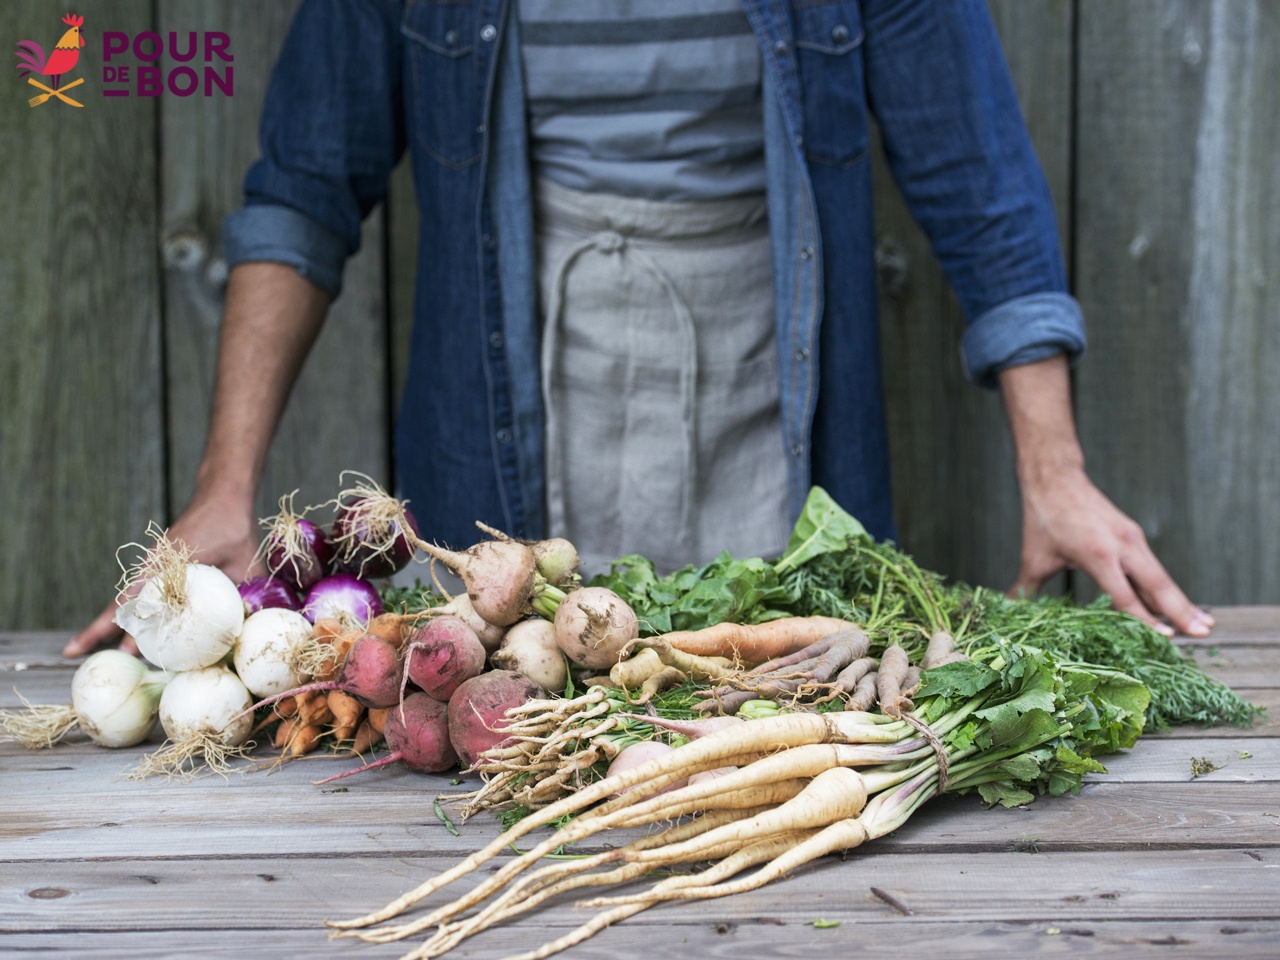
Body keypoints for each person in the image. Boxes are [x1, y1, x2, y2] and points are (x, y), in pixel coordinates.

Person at [66, 0, 1213, 657]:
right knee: (502, 746)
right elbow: (303, 193)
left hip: (779, 413)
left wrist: (1052, 469)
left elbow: (978, 182)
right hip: (506, 433)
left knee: (782, 734)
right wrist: (227, 490)